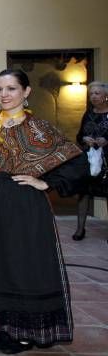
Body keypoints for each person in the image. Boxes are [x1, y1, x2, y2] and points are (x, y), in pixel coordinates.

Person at [0, 69, 87, 354]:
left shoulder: (39, 128)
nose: (4, 94)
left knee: (21, 264)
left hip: (23, 206)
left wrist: (46, 182)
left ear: (26, 92)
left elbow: (75, 161)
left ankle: (25, 332)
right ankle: (1, 324)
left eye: (11, 89)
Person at [73, 81, 108, 241]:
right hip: (88, 159)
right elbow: (79, 135)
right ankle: (80, 229)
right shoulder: (88, 113)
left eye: (97, 93)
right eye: (91, 93)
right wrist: (84, 139)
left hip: (106, 161)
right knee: (83, 193)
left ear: (105, 96)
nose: (93, 96)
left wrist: (106, 140)